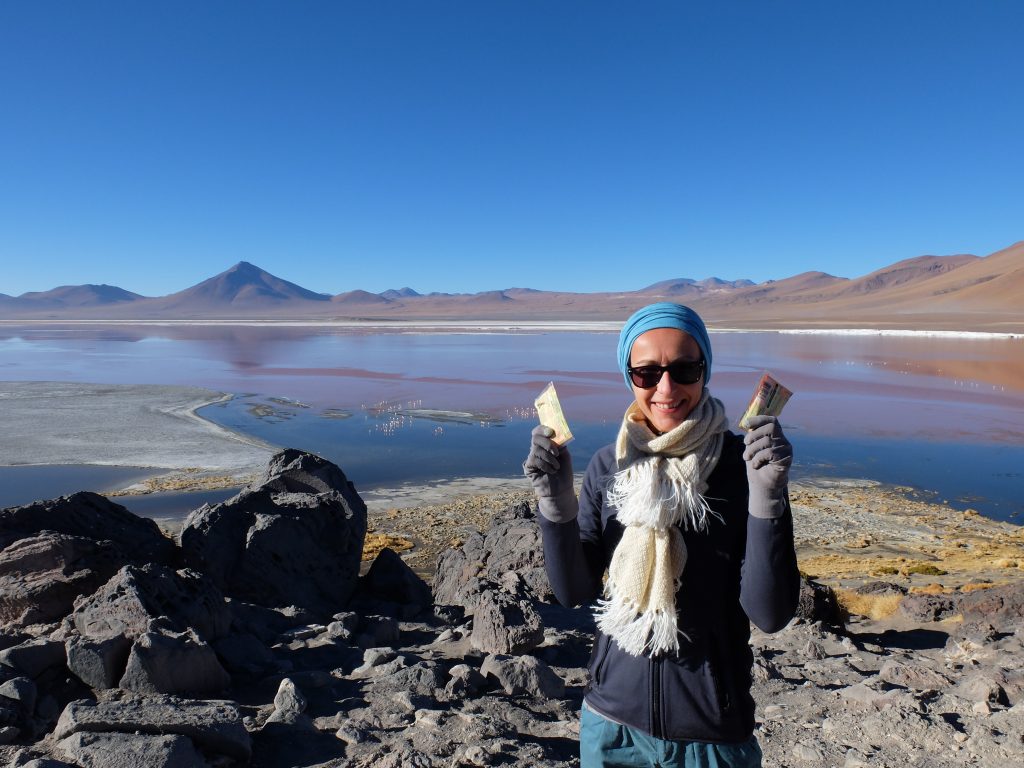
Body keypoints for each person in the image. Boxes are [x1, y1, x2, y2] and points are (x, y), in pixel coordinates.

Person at [524, 302, 800, 768]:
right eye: (647, 373)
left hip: (711, 739)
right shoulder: (608, 467)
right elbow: (573, 592)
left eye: (684, 369)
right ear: (628, 377)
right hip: (611, 728)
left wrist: (768, 497)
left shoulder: (743, 467)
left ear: (705, 370)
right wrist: (556, 506)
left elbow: (769, 614)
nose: (666, 389)